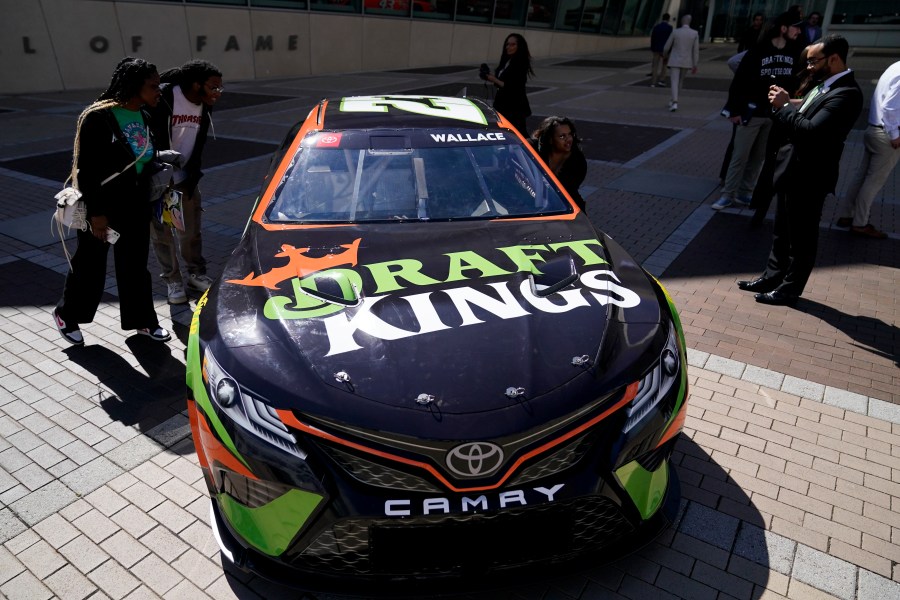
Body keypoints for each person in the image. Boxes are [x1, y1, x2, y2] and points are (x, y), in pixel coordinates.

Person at [53, 57, 172, 345]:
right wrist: (97, 215)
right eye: (153, 85)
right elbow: (87, 170)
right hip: (102, 208)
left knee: (134, 265)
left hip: (135, 206)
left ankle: (142, 320)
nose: (160, 90)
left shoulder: (145, 115)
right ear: (134, 86)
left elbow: (140, 158)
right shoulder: (99, 116)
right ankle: (67, 315)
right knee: (90, 266)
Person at [738, 34, 863, 306]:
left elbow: (812, 131)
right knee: (782, 230)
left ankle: (790, 289)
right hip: (791, 169)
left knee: (802, 237)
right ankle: (772, 277)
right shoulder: (824, 86)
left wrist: (784, 106)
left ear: (834, 59)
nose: (808, 67)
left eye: (813, 61)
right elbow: (807, 110)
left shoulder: (848, 93)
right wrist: (787, 104)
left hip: (811, 176)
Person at [147, 60, 222, 304]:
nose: (217, 93)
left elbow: (197, 143)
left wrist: (192, 173)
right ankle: (173, 281)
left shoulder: (205, 105)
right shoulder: (167, 95)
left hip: (186, 178)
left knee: (191, 232)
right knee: (162, 234)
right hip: (159, 178)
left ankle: (195, 275)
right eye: (213, 87)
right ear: (196, 84)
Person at [713, 12, 802, 210]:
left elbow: (796, 83)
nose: (799, 31)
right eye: (795, 26)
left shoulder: (794, 52)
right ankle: (728, 194)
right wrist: (735, 110)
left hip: (775, 115)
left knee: (758, 157)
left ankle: (745, 193)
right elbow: (739, 82)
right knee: (740, 155)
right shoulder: (758, 51)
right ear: (783, 28)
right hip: (751, 114)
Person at [835, 60, 900, 239]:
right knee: (873, 182)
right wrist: (895, 134)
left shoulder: (894, 66)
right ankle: (860, 223)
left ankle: (847, 216)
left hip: (874, 129)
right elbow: (890, 107)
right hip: (886, 135)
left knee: (862, 177)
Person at [531, 116, 587, 211]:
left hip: (566, 206)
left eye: (570, 134)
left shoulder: (578, 161)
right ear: (550, 139)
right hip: (533, 201)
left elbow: (567, 190)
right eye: (562, 136)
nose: (568, 139)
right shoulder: (536, 149)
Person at [483, 33, 534, 136]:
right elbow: (502, 82)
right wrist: (489, 77)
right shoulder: (507, 61)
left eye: (512, 44)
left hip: (514, 106)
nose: (508, 47)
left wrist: (493, 79)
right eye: (507, 44)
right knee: (506, 132)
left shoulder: (521, 63)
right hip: (503, 104)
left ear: (519, 46)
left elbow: (513, 86)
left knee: (517, 134)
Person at [663, 14, 699, 112]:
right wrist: (695, 63)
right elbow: (695, 50)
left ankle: (674, 102)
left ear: (682, 21)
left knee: (674, 81)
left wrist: (665, 55)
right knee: (680, 81)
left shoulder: (675, 32)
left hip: (675, 60)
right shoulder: (694, 33)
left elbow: (666, 47)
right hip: (687, 61)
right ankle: (674, 100)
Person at [650, 14, 673, 88]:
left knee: (655, 66)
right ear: (668, 19)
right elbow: (671, 40)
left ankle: (653, 82)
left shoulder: (656, 27)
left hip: (656, 49)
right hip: (665, 50)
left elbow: (653, 38)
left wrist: (652, 47)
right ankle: (661, 80)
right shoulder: (669, 28)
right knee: (664, 65)